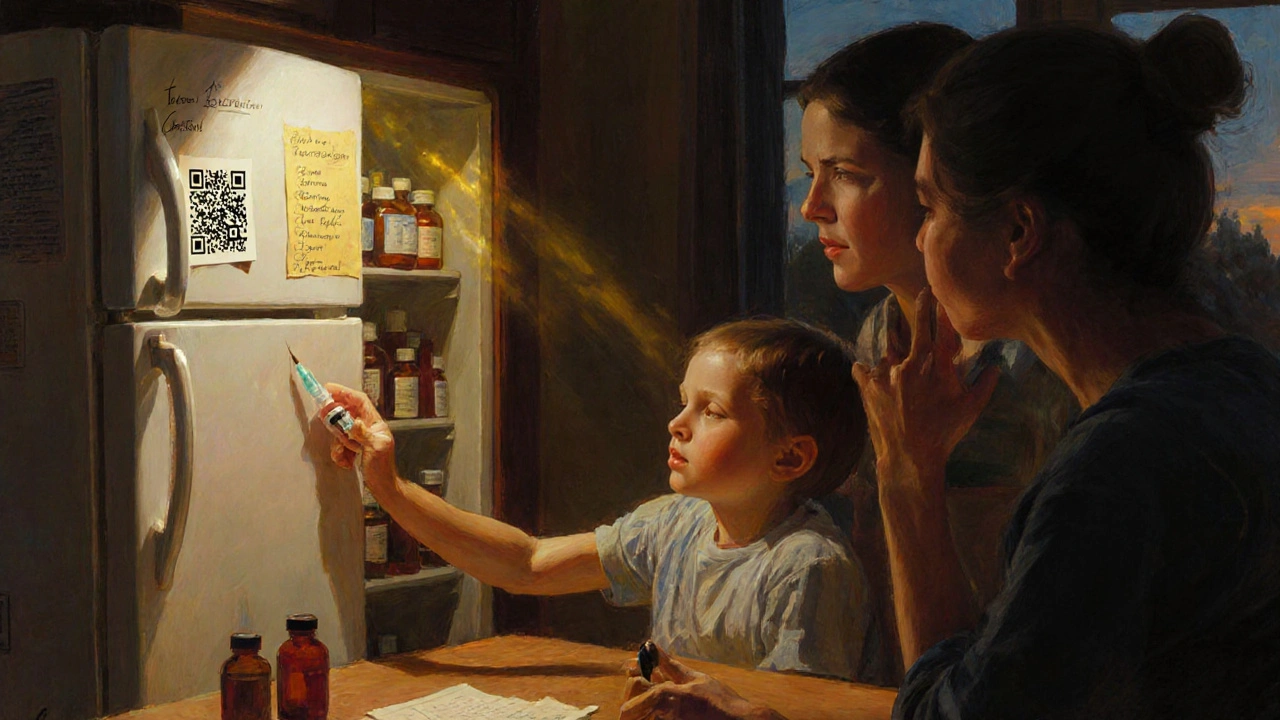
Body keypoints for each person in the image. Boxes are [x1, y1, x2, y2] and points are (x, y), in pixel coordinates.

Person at [621, 14, 1280, 720]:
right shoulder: (1238, 382)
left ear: (1019, 233)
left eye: (930, 206)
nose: (923, 234)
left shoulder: (1113, 465)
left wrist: (909, 479)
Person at [329, 317, 874, 681]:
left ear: (788, 459)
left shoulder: (809, 567)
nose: (676, 424)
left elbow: (801, 713)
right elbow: (529, 563)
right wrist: (389, 485)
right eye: (684, 402)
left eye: (711, 411)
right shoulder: (677, 523)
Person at [798, 22, 1078, 682]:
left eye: (846, 175)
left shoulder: (1044, 364)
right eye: (810, 175)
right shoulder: (877, 341)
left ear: (938, 178)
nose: (813, 206)